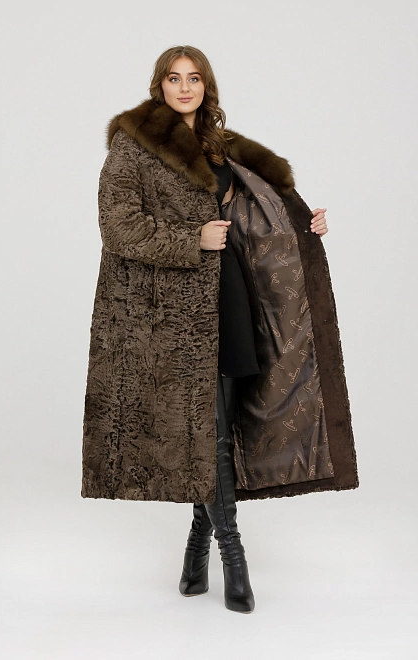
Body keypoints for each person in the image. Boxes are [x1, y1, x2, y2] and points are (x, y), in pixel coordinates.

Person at [81, 45, 358, 615]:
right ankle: (232, 556)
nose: (185, 87)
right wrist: (192, 240)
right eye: (174, 78)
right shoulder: (133, 146)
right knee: (207, 431)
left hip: (227, 294)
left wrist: (304, 224)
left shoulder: (221, 146)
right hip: (169, 313)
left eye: (195, 78)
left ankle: (194, 550)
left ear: (206, 86)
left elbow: (258, 214)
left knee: (220, 423)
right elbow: (117, 227)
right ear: (159, 86)